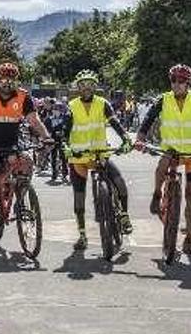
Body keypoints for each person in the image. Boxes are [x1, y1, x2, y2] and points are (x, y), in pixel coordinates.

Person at [134, 64, 191, 256]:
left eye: (182, 81)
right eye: (174, 80)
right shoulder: (162, 99)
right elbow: (147, 120)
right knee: (161, 165)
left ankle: (189, 238)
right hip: (171, 150)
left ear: (188, 83)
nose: (177, 84)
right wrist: (140, 138)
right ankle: (156, 195)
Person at [64, 70, 134, 251]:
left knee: (120, 183)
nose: (87, 88)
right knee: (79, 197)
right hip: (78, 156)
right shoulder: (71, 106)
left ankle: (124, 215)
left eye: (90, 84)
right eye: (83, 84)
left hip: (99, 155)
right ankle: (82, 234)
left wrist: (126, 139)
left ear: (96, 86)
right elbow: (65, 130)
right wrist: (65, 145)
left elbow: (116, 123)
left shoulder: (103, 104)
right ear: (78, 87)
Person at [0, 62, 51, 211]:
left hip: (11, 143)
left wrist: (46, 137)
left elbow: (34, 121)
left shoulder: (23, 96)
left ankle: (19, 201)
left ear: (17, 80)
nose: (7, 83)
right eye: (3, 80)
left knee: (27, 163)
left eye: (11, 80)